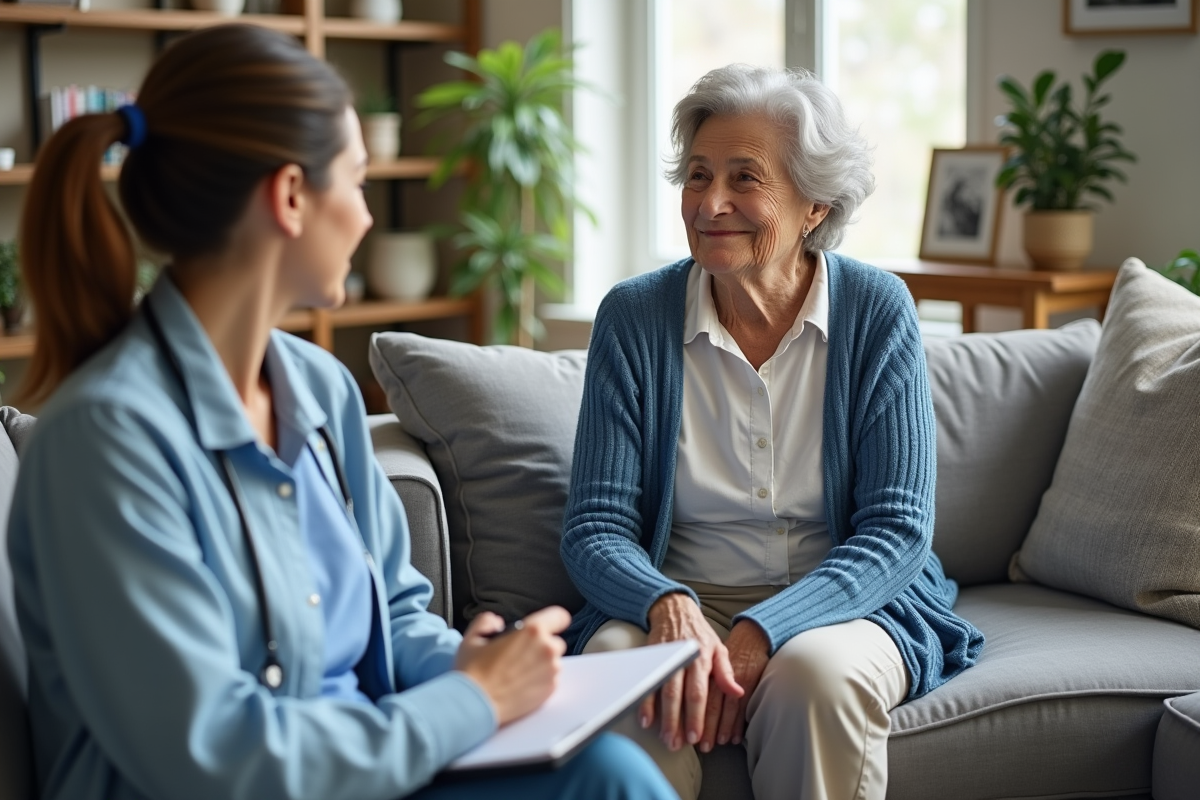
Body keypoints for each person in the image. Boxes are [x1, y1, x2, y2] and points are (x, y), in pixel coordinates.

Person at [7, 24, 676, 800]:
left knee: (610, 775)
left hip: (364, 767)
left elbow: (394, 610)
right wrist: (473, 701)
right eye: (356, 183)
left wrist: (462, 664)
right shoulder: (106, 440)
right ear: (291, 196)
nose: (364, 217)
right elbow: (215, 757)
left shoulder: (319, 389)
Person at [560, 64, 986, 800]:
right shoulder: (632, 319)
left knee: (814, 680)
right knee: (631, 687)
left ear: (815, 204)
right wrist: (670, 606)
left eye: (744, 178)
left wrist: (762, 633)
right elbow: (595, 527)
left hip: (846, 599)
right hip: (677, 592)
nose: (710, 202)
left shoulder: (878, 312)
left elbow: (896, 531)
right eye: (697, 175)